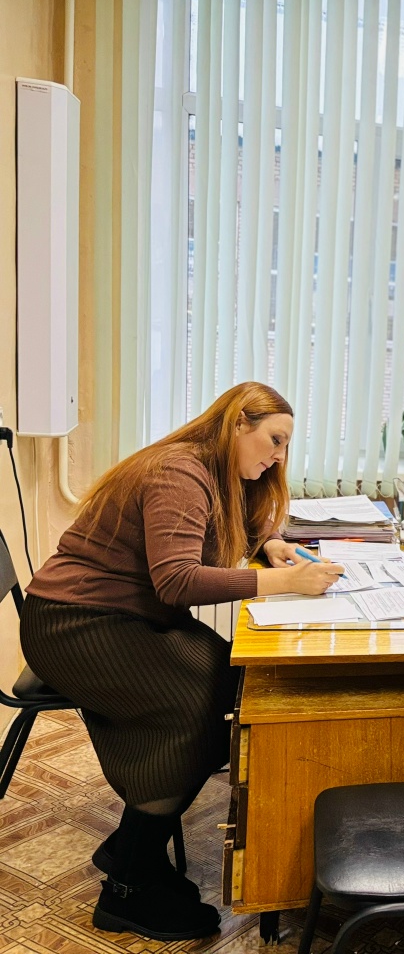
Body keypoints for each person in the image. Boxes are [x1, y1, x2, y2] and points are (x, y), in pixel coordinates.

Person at [20, 381, 345, 941]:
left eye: (286, 446)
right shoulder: (178, 473)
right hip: (75, 624)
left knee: (235, 688)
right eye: (274, 440)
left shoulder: (210, 470)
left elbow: (228, 523)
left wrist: (269, 541)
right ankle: (127, 889)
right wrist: (283, 582)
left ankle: (131, 847)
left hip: (123, 615)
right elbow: (176, 581)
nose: (279, 457)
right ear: (237, 423)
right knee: (196, 712)